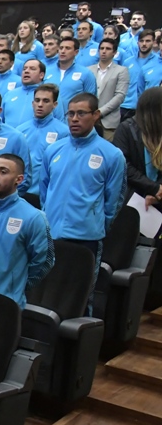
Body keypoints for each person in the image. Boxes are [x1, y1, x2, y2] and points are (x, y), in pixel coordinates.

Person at [40, 93, 126, 310]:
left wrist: (95, 224)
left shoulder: (112, 154)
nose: (74, 119)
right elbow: (44, 190)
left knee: (80, 297)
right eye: (70, 114)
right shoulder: (53, 150)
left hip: (86, 238)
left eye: (81, 113)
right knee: (45, 291)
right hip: (52, 234)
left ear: (96, 115)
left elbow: (113, 201)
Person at [0, 154, 54, 307]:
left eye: (3, 172)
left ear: (18, 180)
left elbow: (44, 261)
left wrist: (17, 285)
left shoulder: (33, 217)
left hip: (6, 304)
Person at [16, 83, 68, 204]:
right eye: (37, 100)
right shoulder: (20, 130)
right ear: (32, 103)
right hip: (20, 193)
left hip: (46, 194)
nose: (40, 105)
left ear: (55, 105)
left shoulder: (64, 132)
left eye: (46, 101)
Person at [115, 87, 162, 208]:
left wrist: (159, 191)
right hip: (132, 197)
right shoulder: (126, 129)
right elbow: (123, 165)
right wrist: (153, 188)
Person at [45, 38, 98, 121]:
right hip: (48, 120)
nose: (63, 51)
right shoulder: (47, 71)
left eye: (67, 48)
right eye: (61, 48)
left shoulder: (86, 73)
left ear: (76, 52)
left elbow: (90, 101)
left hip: (74, 121)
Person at [92, 38, 130, 141]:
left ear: (114, 52)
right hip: (89, 118)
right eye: (102, 48)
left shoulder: (121, 71)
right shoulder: (88, 70)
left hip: (108, 121)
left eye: (108, 49)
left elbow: (120, 96)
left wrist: (100, 112)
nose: (104, 51)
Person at [2, 59, 46, 127]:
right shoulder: (9, 94)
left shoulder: (48, 95)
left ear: (41, 75)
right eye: (24, 69)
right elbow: (0, 121)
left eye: (32, 69)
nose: (26, 71)